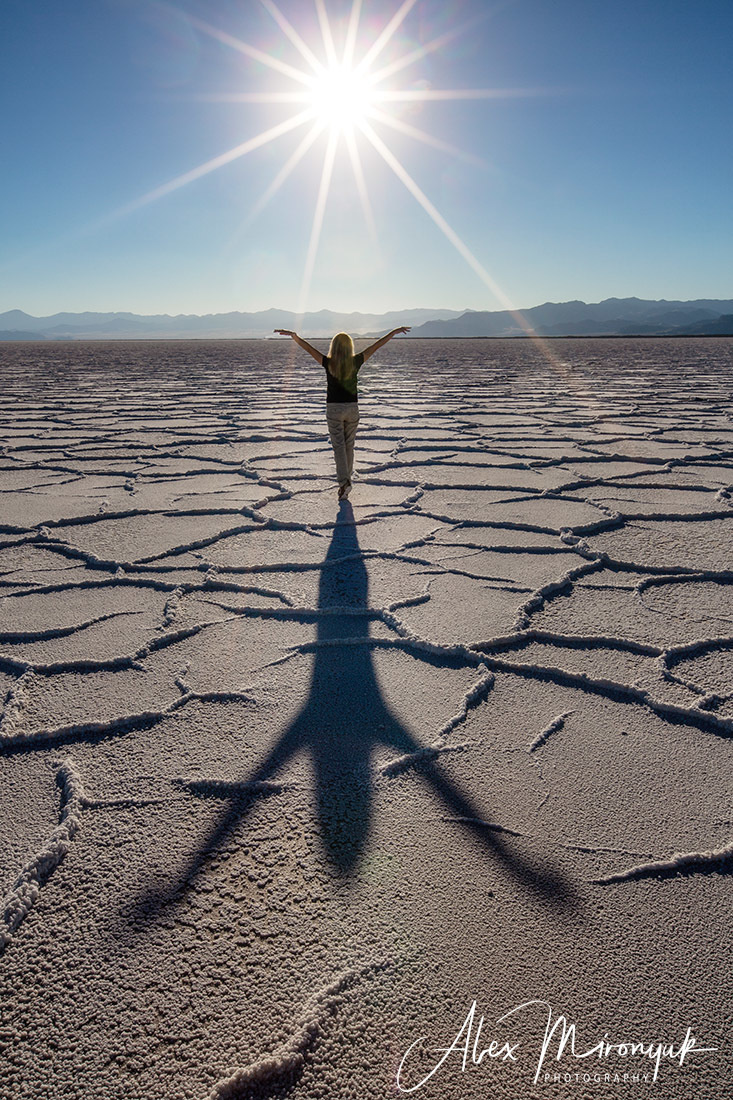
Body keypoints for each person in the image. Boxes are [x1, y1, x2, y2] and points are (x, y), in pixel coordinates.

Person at [274, 326, 410, 499]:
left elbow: (309, 349)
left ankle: (344, 483)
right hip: (352, 408)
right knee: (349, 445)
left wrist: (294, 336)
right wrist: (393, 333)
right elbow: (376, 346)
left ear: (334, 346)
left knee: (339, 446)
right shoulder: (356, 361)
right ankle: (346, 482)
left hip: (334, 409)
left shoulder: (328, 362)